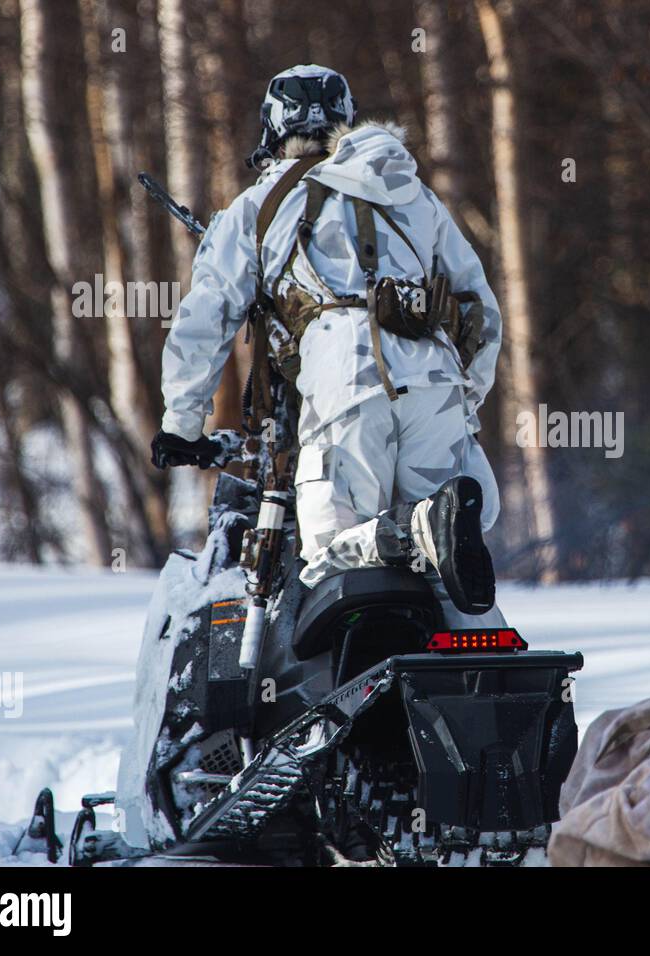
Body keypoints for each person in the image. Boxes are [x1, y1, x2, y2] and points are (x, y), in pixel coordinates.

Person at [150, 64, 502, 624]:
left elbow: (206, 317)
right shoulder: (413, 196)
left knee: (330, 556)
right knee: (450, 570)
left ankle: (412, 535)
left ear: (271, 128)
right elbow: (479, 310)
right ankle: (493, 683)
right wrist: (466, 405)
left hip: (346, 386)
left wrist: (181, 424)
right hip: (437, 383)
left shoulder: (258, 206)